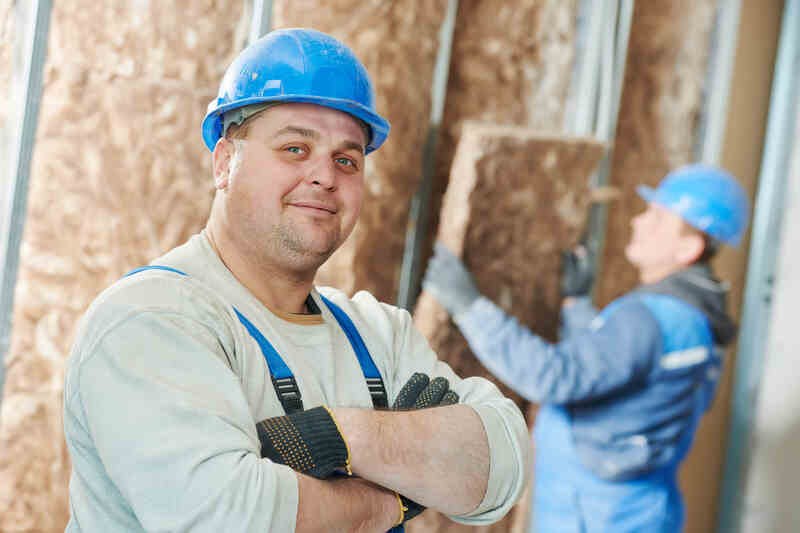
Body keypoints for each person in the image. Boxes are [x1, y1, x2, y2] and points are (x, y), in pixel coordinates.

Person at [62, 28, 530, 533]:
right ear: (224, 162)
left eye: (346, 160)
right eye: (294, 149)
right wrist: (389, 500)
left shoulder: (378, 335)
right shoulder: (153, 319)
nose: (325, 177)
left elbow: (502, 464)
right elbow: (229, 518)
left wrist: (339, 435)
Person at [422, 164, 750, 532]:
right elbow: (611, 364)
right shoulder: (691, 318)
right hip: (637, 509)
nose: (638, 222)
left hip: (593, 514)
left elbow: (554, 377)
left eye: (657, 218)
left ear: (688, 248)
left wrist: (469, 306)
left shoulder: (649, 319)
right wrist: (577, 307)